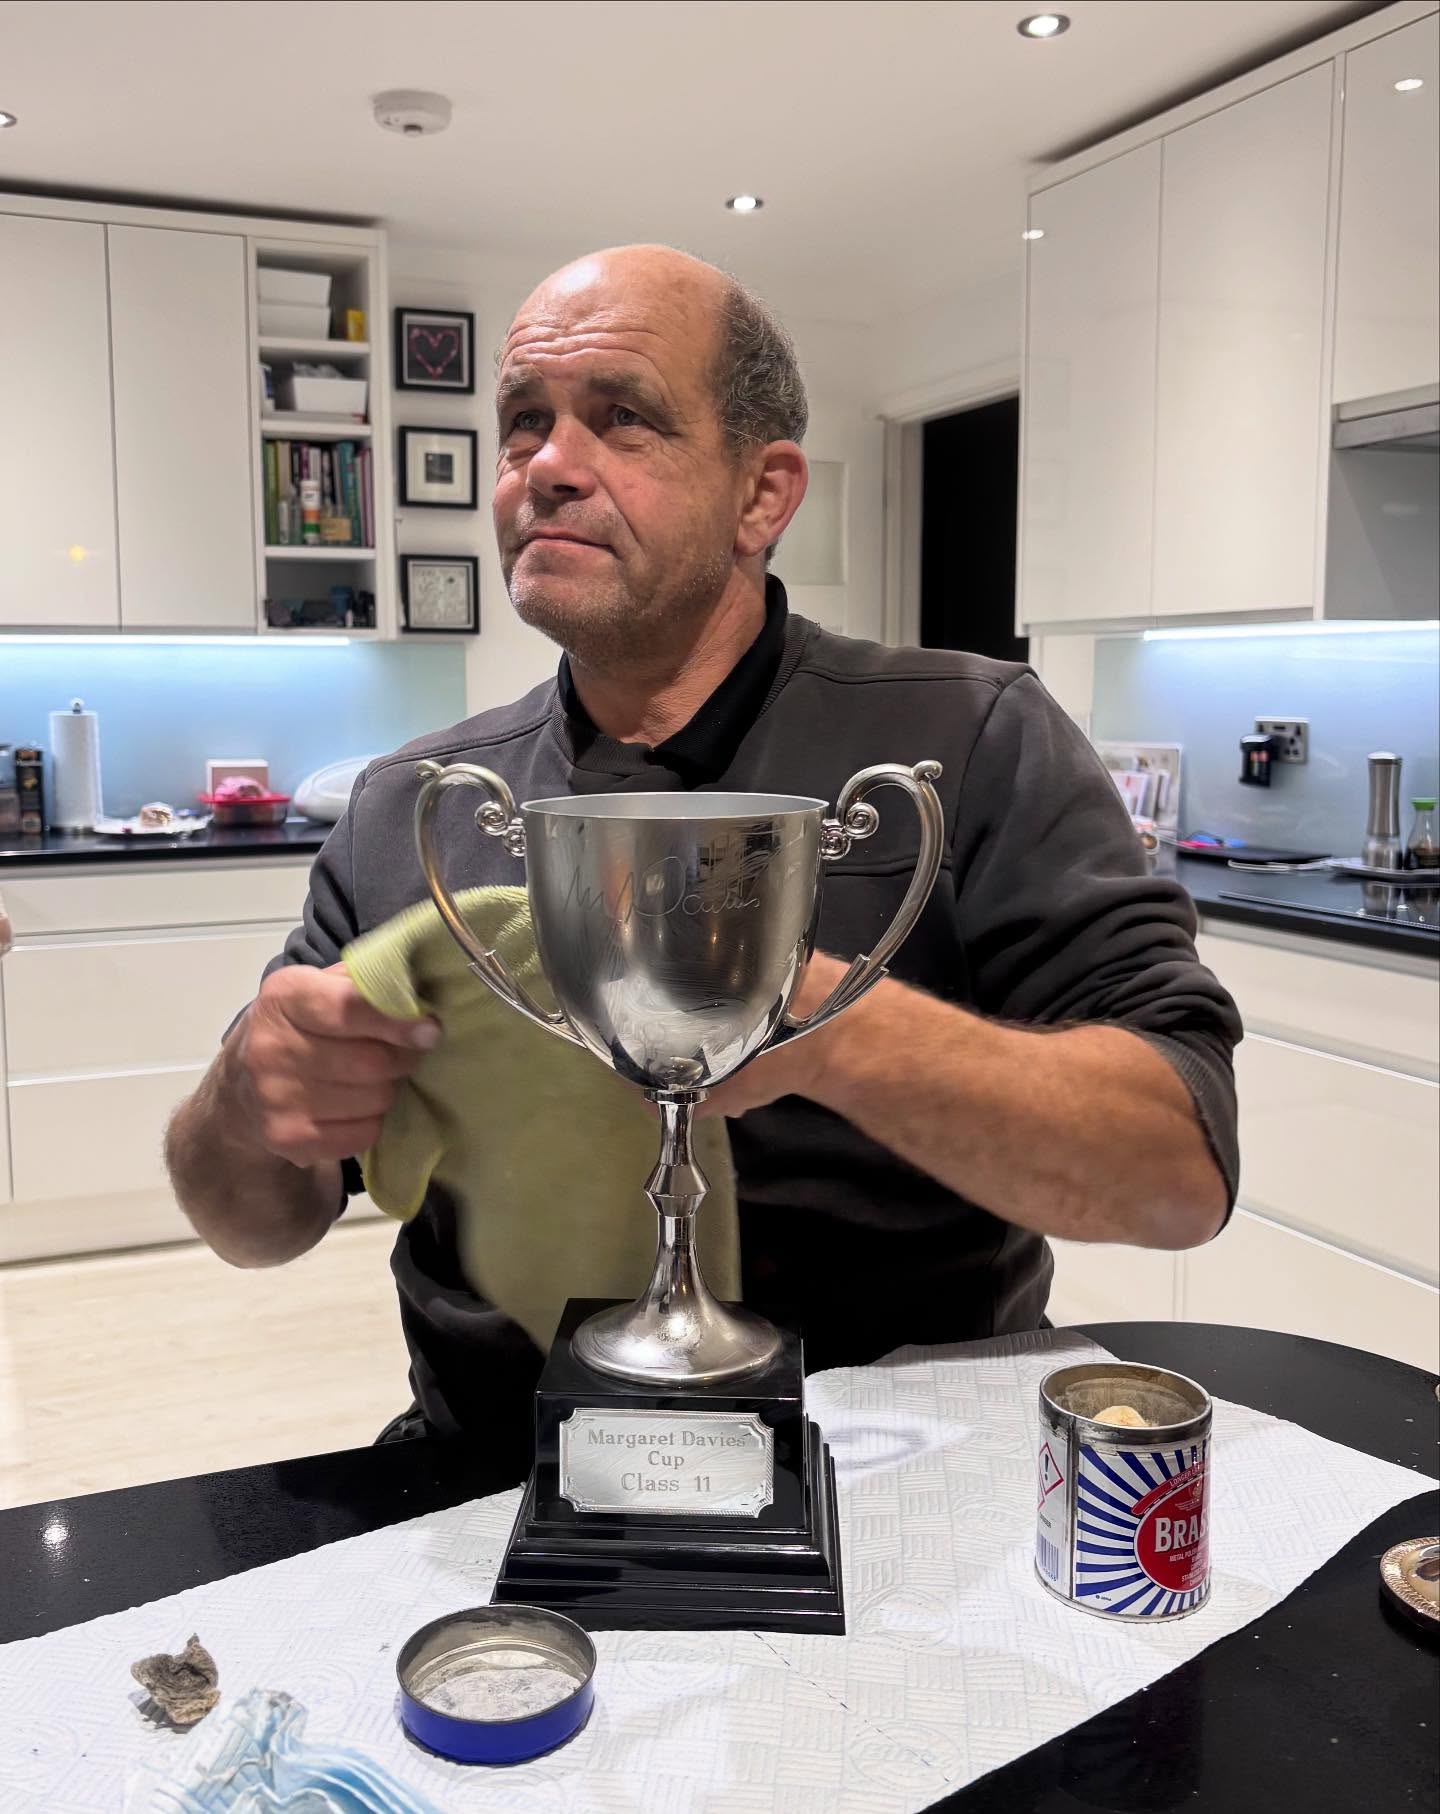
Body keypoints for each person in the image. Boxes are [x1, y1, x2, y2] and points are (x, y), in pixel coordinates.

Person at [166, 245, 1241, 1461]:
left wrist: (826, 1025)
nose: (547, 466)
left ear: (761, 495)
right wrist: (248, 1099)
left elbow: (1177, 1173)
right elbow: (252, 1224)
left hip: (901, 1474)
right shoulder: (413, 804)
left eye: (622, 416)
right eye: (523, 423)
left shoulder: (970, 739)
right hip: (490, 1474)